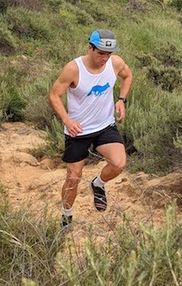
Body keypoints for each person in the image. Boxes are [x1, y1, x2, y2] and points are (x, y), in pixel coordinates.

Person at [49, 29, 133, 227]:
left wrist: (121, 100)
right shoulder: (74, 69)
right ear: (90, 48)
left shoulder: (115, 63)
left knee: (119, 164)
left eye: (108, 53)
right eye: (101, 53)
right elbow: (54, 95)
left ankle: (98, 183)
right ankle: (66, 215)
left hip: (104, 125)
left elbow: (127, 76)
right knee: (73, 178)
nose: (105, 58)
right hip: (78, 131)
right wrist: (67, 120)